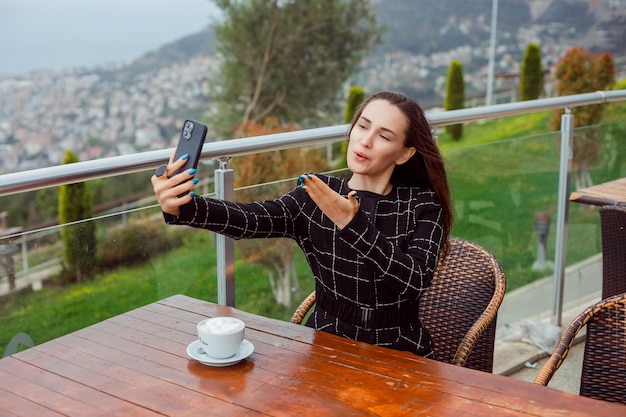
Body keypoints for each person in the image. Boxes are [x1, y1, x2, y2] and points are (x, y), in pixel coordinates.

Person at [152, 90, 453, 358]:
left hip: (401, 353)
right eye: (362, 126)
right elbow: (250, 219)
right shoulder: (317, 193)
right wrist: (183, 206)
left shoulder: (422, 205)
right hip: (326, 344)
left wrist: (351, 222)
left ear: (404, 153)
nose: (365, 140)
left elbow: (414, 282)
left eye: (384, 136)